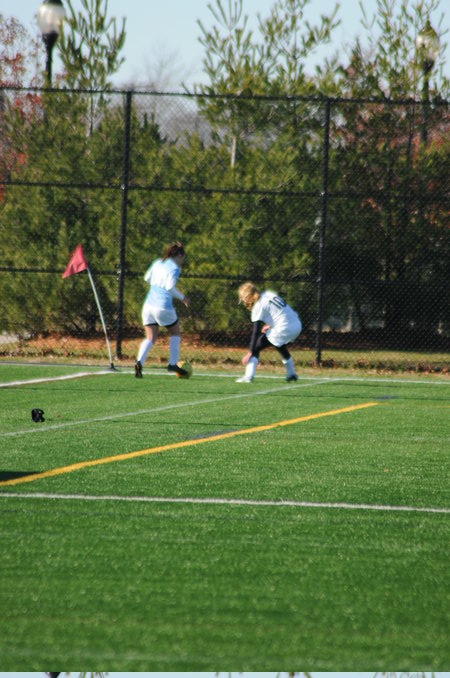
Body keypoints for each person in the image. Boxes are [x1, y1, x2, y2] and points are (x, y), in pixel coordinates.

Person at [135, 242, 190, 378]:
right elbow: (170, 287)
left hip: (148, 306)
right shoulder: (174, 268)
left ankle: (139, 362)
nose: (182, 261)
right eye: (183, 258)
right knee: (175, 333)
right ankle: (172, 364)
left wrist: (157, 285)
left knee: (150, 337)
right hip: (163, 306)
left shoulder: (158, 262)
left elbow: (146, 278)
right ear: (179, 255)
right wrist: (183, 298)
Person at [236, 281, 302, 383]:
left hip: (284, 328)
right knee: (279, 345)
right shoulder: (268, 294)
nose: (243, 300)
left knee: (256, 347)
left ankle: (248, 377)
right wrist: (271, 325)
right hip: (296, 324)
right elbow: (280, 311)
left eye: (243, 297)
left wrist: (250, 352)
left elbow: (255, 332)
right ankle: (291, 374)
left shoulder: (258, 306)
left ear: (248, 297)